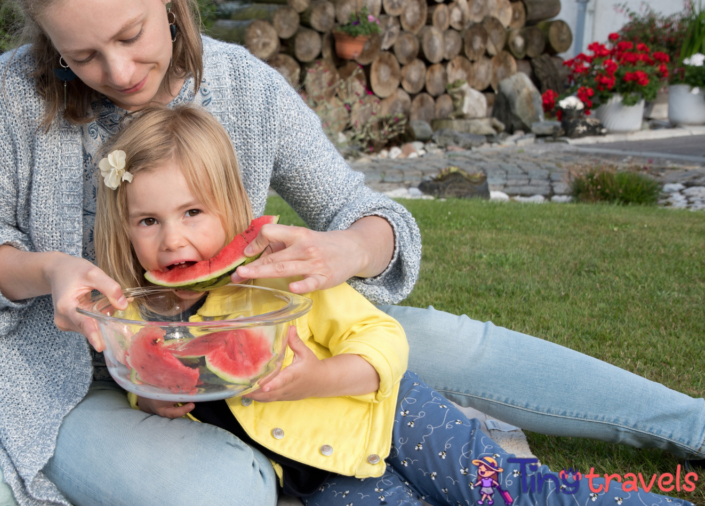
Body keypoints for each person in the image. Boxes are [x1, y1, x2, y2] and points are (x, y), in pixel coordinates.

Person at [0, 0, 705, 504]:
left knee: (426, 339)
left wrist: (344, 253)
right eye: (82, 56)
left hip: (259, 340)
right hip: (72, 383)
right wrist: (46, 270)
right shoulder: (6, 98)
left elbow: (373, 217)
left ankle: (691, 423)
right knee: (223, 491)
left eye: (131, 37)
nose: (119, 73)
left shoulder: (246, 87)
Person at [89, 103, 692, 506]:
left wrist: (318, 376)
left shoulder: (275, 277)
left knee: (507, 490)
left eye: (192, 213)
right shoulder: (137, 319)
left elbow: (384, 341)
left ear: (230, 206)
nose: (173, 239)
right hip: (323, 476)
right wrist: (159, 399)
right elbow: (175, 402)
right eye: (149, 220)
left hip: (394, 416)